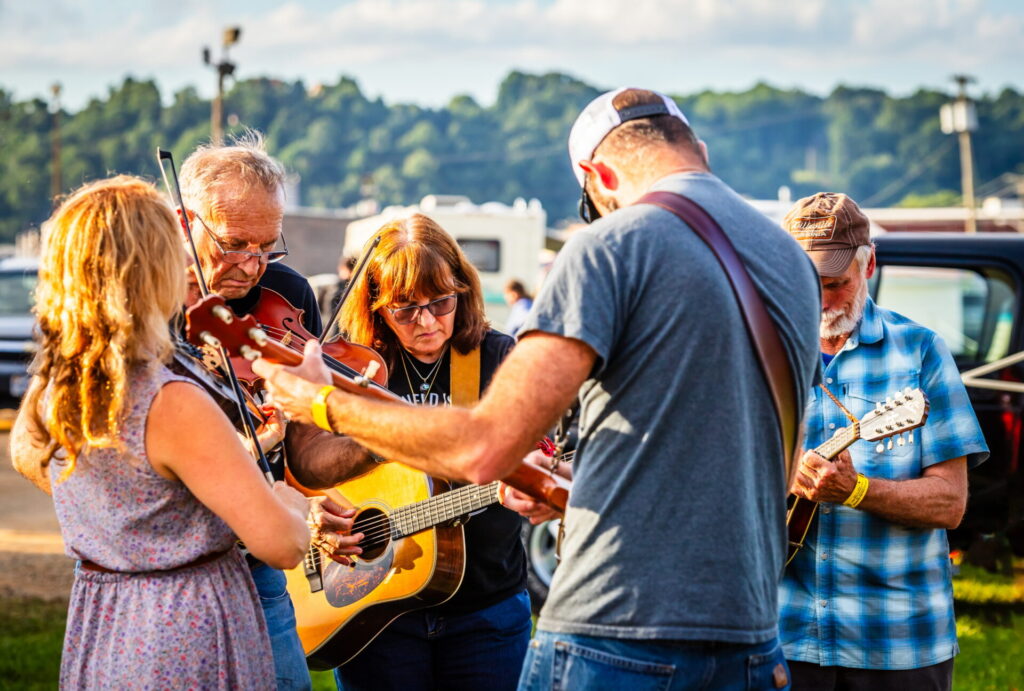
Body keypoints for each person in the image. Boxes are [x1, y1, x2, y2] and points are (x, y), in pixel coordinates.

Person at [252, 87, 823, 690]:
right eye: (405, 309)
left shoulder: (608, 248)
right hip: (751, 628)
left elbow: (486, 447)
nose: (426, 321)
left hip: (617, 622)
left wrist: (323, 402)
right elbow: (773, 465)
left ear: (597, 175)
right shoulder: (791, 261)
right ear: (698, 150)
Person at [10, 175, 310, 689]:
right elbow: (282, 545)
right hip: (187, 621)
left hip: (105, 615)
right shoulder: (170, 400)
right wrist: (289, 502)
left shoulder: (60, 383)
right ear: (152, 267)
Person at [285, 213, 531, 691]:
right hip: (375, 612)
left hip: (486, 611)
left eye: (440, 303)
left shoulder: (501, 358)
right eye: (404, 309)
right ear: (376, 308)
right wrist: (317, 513)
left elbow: (544, 446)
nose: (425, 322)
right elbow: (306, 467)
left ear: (461, 288)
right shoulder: (352, 367)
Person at [778, 192, 989, 691]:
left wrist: (857, 491)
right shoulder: (762, 352)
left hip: (899, 640)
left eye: (837, 284)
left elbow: (950, 504)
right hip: (785, 636)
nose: (825, 302)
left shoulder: (921, 352)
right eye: (809, 285)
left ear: (869, 263)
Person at [178, 133, 359, 690]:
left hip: (258, 556)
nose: (253, 266)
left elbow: (298, 443)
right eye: (235, 244)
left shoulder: (288, 291)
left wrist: (309, 492)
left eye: (266, 246)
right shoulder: (150, 305)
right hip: (179, 560)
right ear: (186, 222)